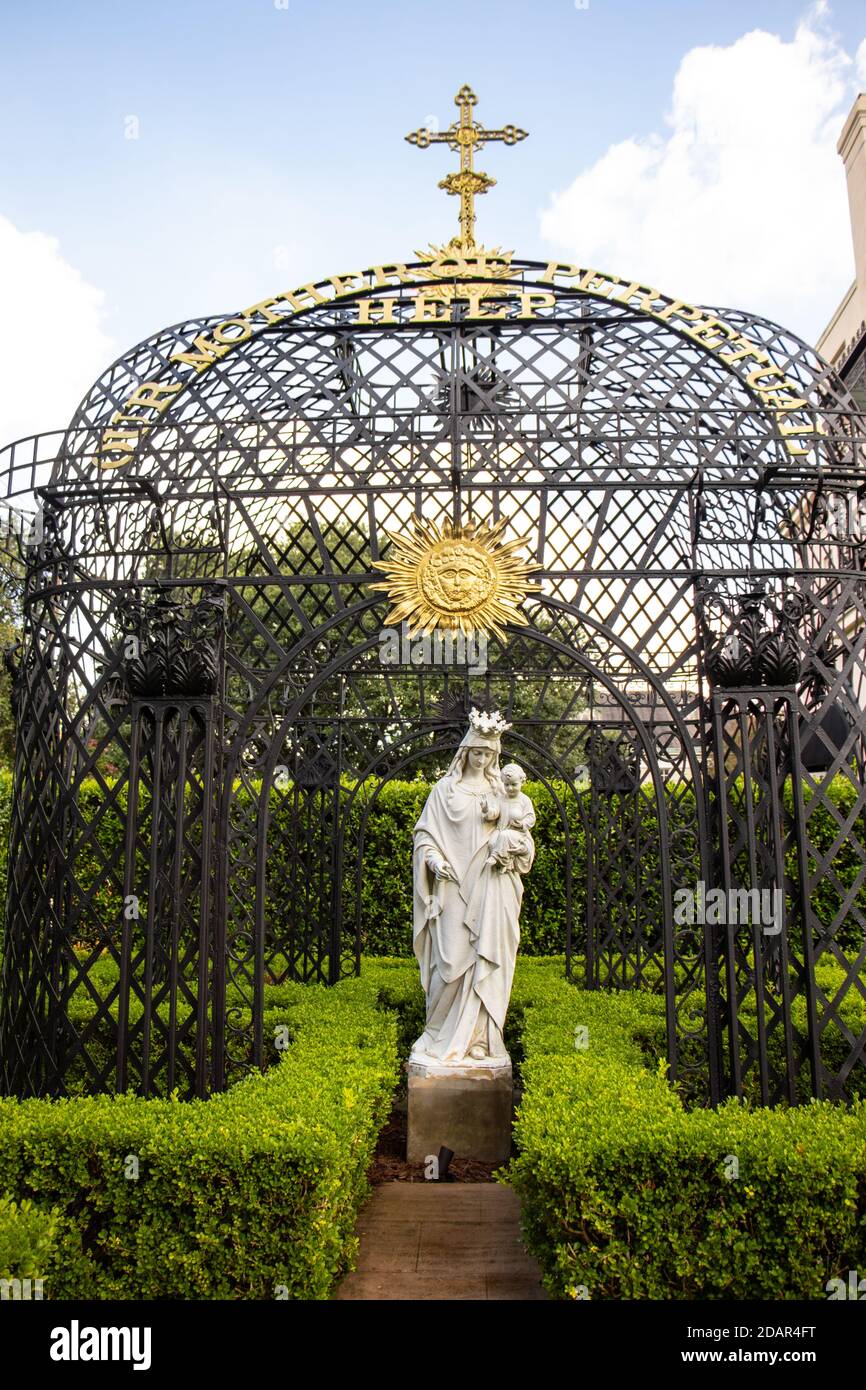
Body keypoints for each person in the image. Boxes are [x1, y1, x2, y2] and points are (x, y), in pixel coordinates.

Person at [410, 714, 534, 1066]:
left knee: (485, 959)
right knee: (448, 963)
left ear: (495, 757)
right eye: (476, 753)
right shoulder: (443, 791)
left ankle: (479, 1040)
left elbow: (524, 836)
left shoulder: (503, 792)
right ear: (465, 753)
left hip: (491, 888)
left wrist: (516, 849)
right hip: (450, 888)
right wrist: (433, 862)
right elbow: (425, 836)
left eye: (488, 755)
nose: (481, 760)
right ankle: (436, 1033)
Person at [485, 763, 535, 874]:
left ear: (522, 782)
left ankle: (497, 858)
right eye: (506, 785)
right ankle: (504, 863)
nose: (510, 788)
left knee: (505, 836)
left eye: (514, 784)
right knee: (492, 843)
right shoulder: (501, 798)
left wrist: (522, 824)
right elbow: (495, 813)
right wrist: (486, 810)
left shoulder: (524, 800)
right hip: (501, 828)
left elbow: (531, 818)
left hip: (517, 832)